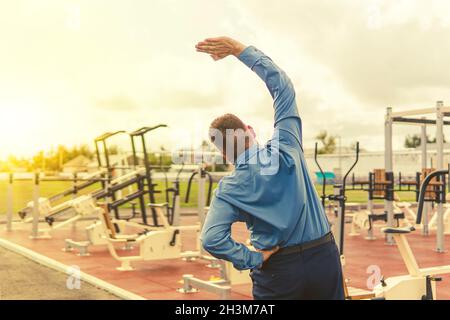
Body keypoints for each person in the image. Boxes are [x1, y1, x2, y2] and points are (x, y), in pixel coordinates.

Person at [196, 36, 344, 300]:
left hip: (277, 269)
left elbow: (211, 239)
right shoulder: (286, 145)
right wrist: (239, 50)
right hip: (322, 258)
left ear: (223, 153)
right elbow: (282, 87)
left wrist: (252, 257)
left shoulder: (229, 189)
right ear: (249, 130)